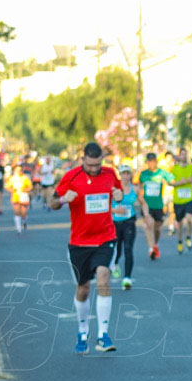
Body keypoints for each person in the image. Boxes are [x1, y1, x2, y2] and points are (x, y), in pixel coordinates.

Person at [49, 142, 123, 354]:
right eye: (90, 165)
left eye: (97, 164)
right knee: (83, 288)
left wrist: (119, 195)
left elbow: (118, 192)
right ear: (83, 160)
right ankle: (83, 331)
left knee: (103, 277)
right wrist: (63, 199)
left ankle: (103, 335)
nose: (94, 169)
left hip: (105, 238)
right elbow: (51, 203)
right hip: (79, 243)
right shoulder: (71, 177)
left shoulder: (110, 174)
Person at [111, 164, 150, 289]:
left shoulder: (135, 189)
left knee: (128, 249)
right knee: (116, 249)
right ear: (120, 175)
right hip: (115, 223)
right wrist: (116, 211)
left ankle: (127, 278)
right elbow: (105, 207)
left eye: (128, 173)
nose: (126, 176)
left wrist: (147, 215)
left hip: (129, 222)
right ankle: (115, 263)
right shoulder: (113, 189)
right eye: (124, 173)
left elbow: (143, 203)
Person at [137, 152, 175, 259]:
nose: (152, 163)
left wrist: (175, 183)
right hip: (147, 205)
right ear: (147, 162)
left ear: (156, 162)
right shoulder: (143, 174)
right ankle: (151, 249)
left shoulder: (162, 173)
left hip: (158, 205)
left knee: (157, 228)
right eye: (149, 161)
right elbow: (138, 184)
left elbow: (172, 180)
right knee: (149, 225)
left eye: (153, 161)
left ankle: (156, 244)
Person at [168, 150, 192, 253]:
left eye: (186, 154)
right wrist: (179, 183)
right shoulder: (174, 169)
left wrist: (191, 180)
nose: (184, 156)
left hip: (189, 198)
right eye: (182, 154)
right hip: (178, 199)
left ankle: (188, 237)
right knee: (179, 222)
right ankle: (180, 241)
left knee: (189, 219)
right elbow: (170, 182)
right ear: (179, 156)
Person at [6, 163, 34, 234]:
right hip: (15, 197)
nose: (19, 171)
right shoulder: (12, 178)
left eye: (20, 170)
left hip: (24, 196)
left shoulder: (25, 177)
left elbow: (30, 187)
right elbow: (7, 186)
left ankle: (24, 221)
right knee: (17, 211)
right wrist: (11, 190)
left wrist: (26, 190)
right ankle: (18, 228)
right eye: (17, 170)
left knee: (23, 212)